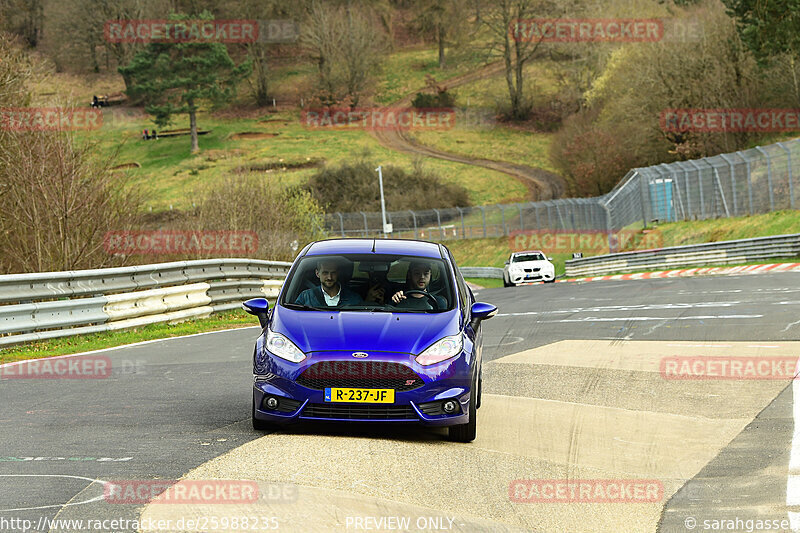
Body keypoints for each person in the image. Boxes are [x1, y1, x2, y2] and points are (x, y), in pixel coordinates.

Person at [295, 259, 381, 308]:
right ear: (317, 273)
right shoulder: (305, 297)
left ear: (338, 273)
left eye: (333, 273)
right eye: (325, 273)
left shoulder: (354, 298)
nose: (329, 277)